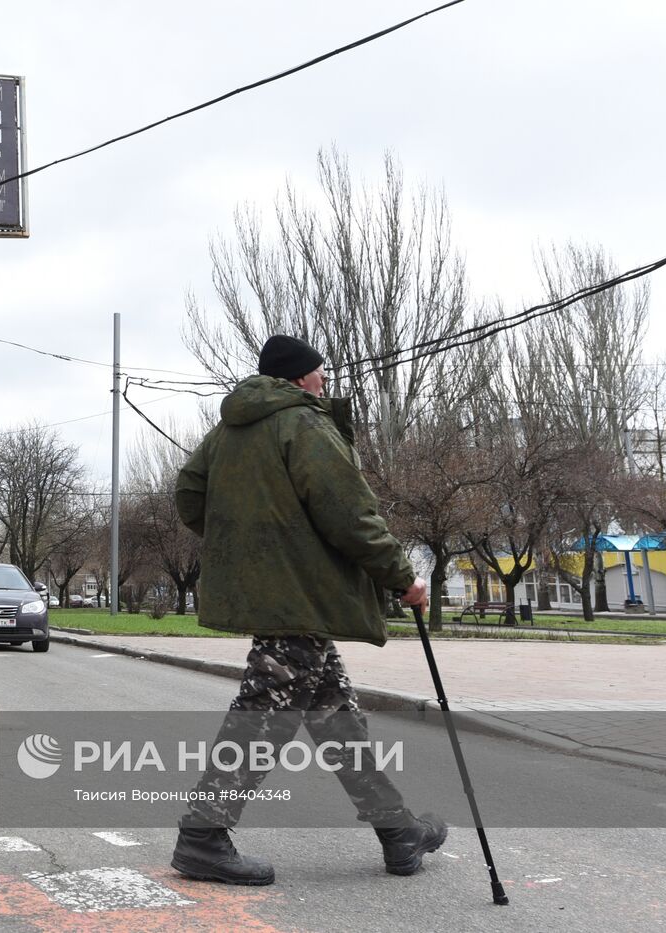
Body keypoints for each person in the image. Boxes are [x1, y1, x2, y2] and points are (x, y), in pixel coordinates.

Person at [169, 333, 445, 887]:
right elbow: (351, 514)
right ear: (300, 377)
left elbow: (188, 496)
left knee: (335, 716)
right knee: (263, 715)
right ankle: (202, 837)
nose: (324, 380)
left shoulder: (227, 430)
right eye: (320, 372)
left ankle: (398, 831)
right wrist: (403, 578)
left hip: (277, 592)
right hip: (299, 592)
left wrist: (246, 542)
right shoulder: (304, 422)